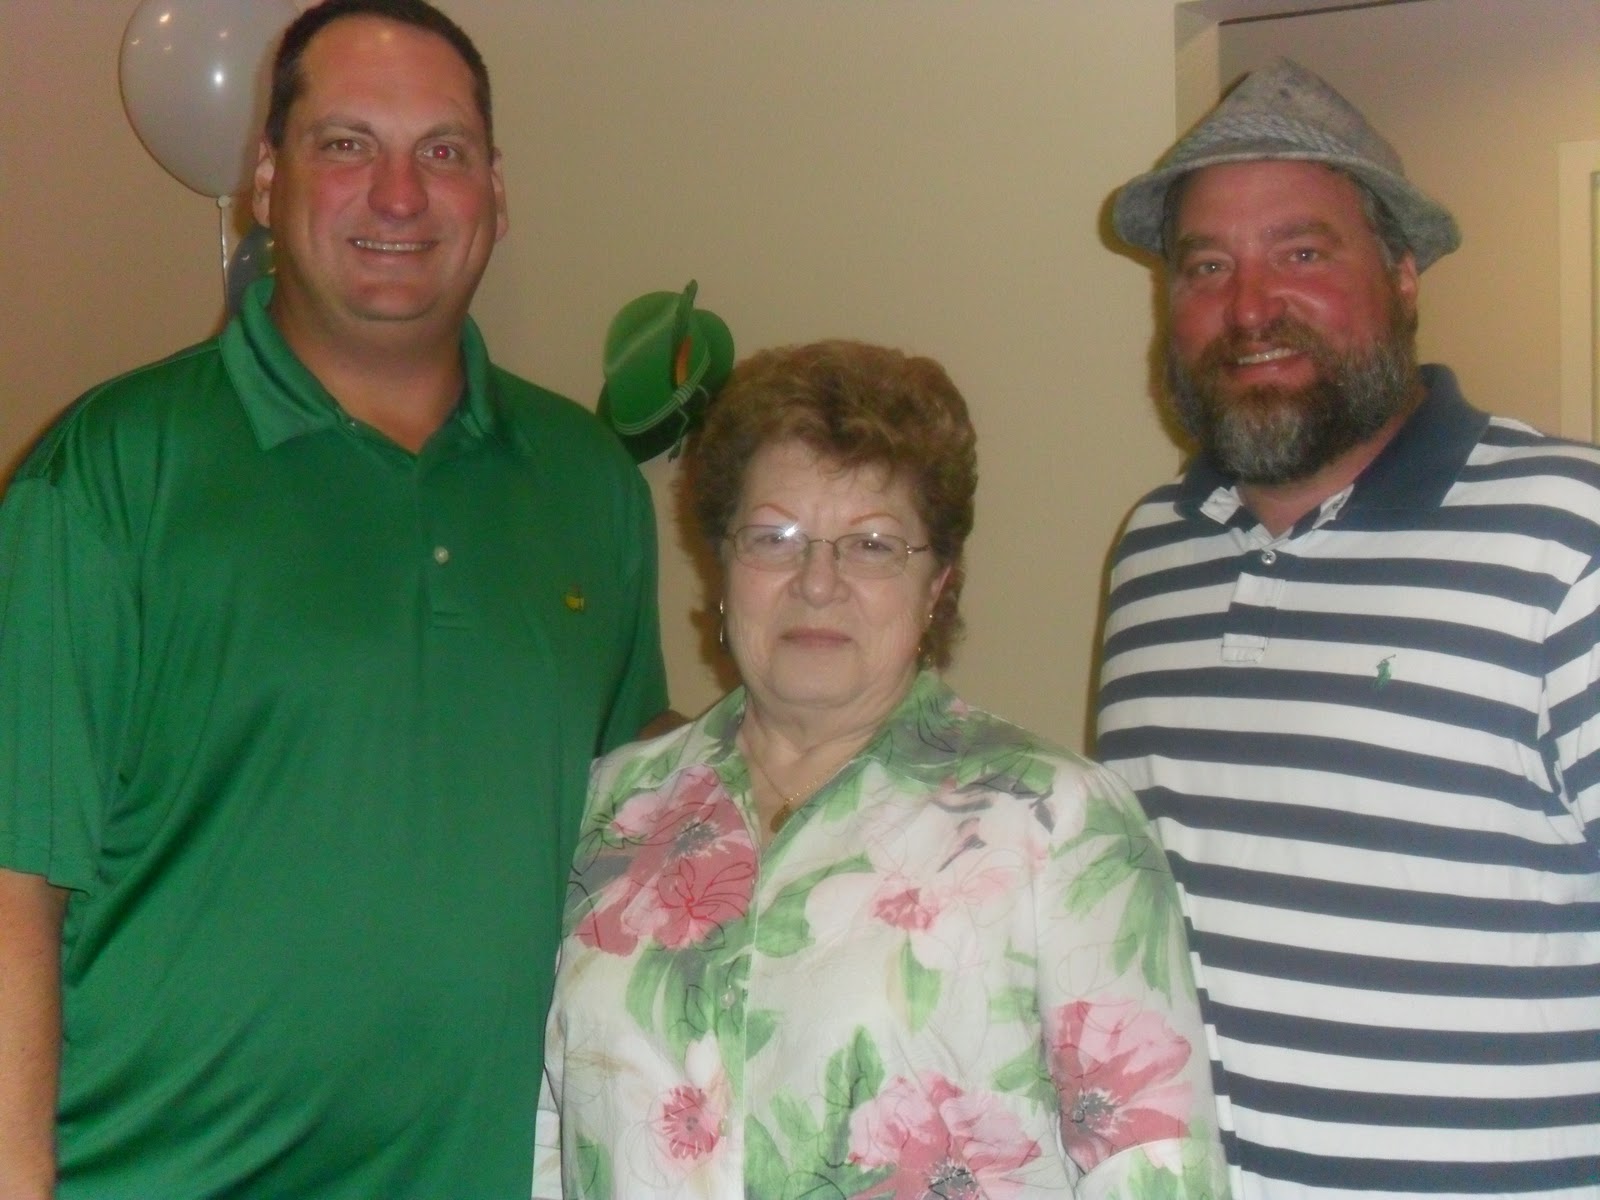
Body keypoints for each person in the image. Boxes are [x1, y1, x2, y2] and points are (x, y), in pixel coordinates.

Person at [0, 1, 667, 1196]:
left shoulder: (588, 485)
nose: (399, 196)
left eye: (443, 151)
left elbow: (635, 837)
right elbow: (11, 880)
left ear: (496, 192)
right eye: (347, 144)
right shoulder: (109, 473)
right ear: (267, 180)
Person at [532, 339, 1229, 1198]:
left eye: (871, 545)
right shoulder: (609, 807)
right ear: (722, 568)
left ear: (937, 586)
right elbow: (545, 1139)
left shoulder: (1059, 823)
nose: (817, 582)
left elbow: (1156, 1169)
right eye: (775, 537)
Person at [1095, 57, 1600, 1197]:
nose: (1248, 307)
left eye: (1302, 253)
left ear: (1404, 275)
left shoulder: (1570, 539)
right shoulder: (1152, 555)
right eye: (1206, 266)